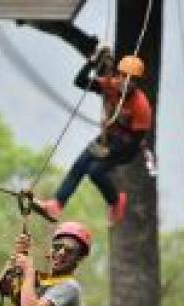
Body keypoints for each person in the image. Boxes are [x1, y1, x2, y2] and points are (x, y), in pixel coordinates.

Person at [39, 50, 153, 226]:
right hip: (109, 136)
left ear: (137, 82)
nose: (126, 82)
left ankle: (115, 201)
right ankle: (57, 204)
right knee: (80, 164)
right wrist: (91, 64)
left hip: (125, 146)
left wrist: (109, 151)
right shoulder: (111, 85)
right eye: (123, 76)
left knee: (95, 171)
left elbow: (134, 143)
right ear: (119, 75)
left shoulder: (141, 106)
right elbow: (80, 82)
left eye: (131, 79)